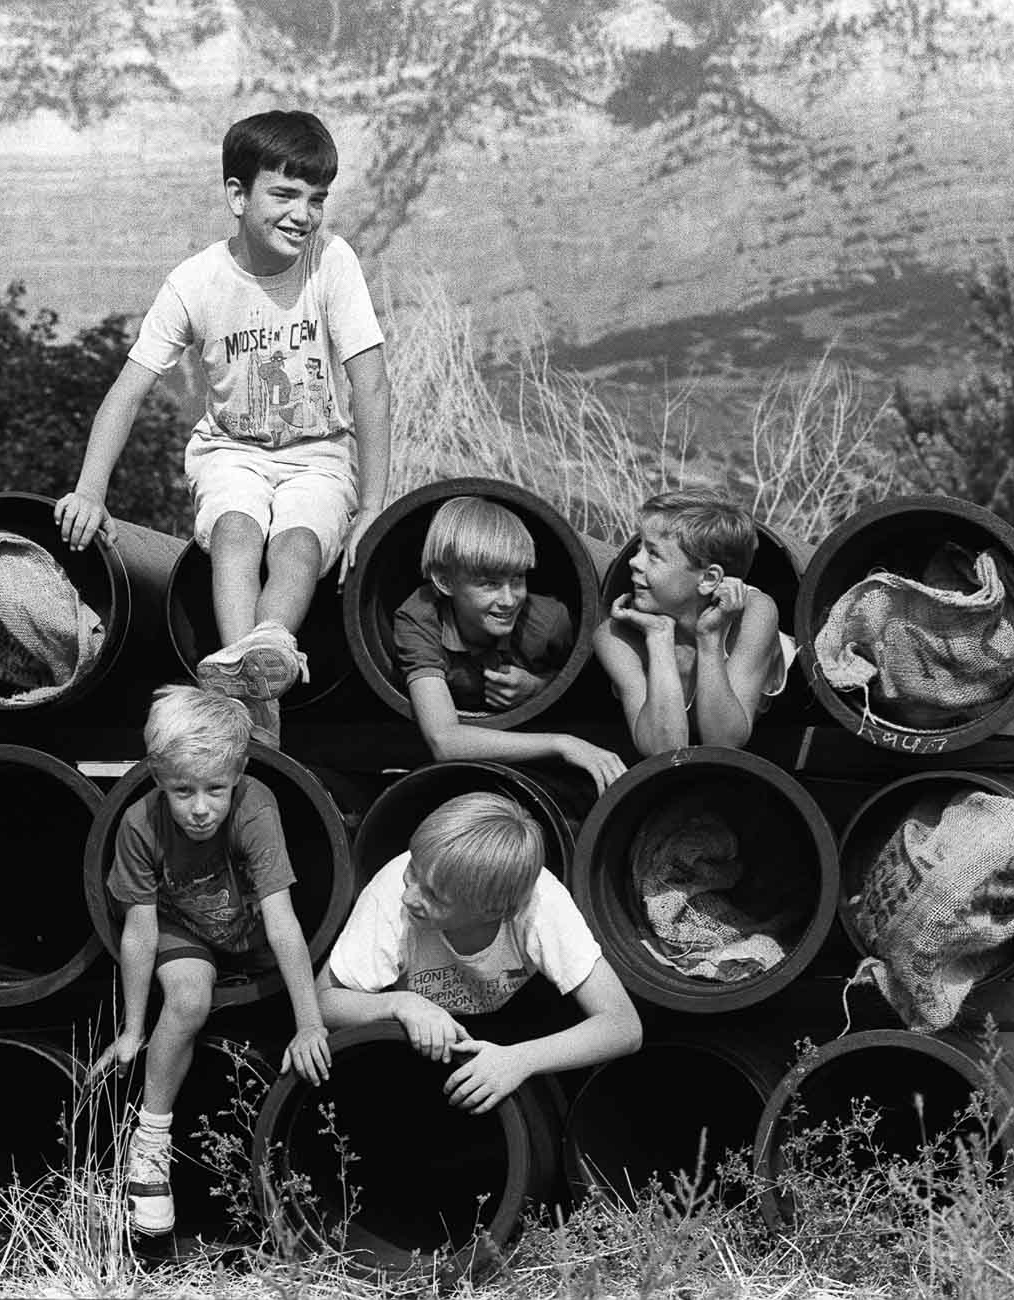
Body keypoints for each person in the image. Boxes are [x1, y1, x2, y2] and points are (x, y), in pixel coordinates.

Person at [55, 109, 392, 748]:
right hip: (231, 448)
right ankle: (248, 675)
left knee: (295, 543)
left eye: (316, 199)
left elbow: (370, 383)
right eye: (285, 194)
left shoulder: (331, 263)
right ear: (237, 196)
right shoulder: (196, 281)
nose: (304, 214)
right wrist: (91, 489)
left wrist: (371, 505)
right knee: (237, 532)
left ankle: (267, 650)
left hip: (317, 452)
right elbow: (127, 391)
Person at [91, 684, 330, 1237]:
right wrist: (132, 1030)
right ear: (156, 777)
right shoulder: (139, 825)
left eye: (216, 789)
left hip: (252, 930)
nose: (201, 808)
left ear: (240, 772)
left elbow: (284, 921)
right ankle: (149, 1145)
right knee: (189, 1000)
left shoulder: (254, 808)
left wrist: (309, 1023)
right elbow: (139, 931)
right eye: (183, 790)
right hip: (186, 929)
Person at [316, 792, 642, 1114]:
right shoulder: (391, 893)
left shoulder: (541, 904)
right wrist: (400, 1004)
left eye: (434, 896)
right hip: (418, 1035)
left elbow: (623, 1026)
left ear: (494, 911)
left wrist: (520, 1060)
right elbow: (324, 1001)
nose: (410, 896)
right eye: (413, 870)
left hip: (520, 1018)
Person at [392, 496, 626, 792]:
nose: (509, 600)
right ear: (445, 582)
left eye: (517, 579)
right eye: (489, 584)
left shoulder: (549, 621)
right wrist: (562, 744)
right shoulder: (420, 617)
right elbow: (444, 740)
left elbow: (589, 685)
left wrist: (539, 687)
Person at [592, 488, 795, 756]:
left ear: (709, 579)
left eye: (653, 554)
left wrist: (709, 637)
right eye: (639, 547)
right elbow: (663, 751)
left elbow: (724, 742)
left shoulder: (754, 613)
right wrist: (658, 636)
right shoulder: (615, 636)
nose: (633, 561)